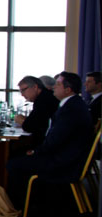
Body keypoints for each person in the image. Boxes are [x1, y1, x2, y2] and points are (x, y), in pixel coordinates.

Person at [7, 72, 95, 206]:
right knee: (18, 155)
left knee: (13, 163)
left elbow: (55, 140)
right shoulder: (74, 104)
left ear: (68, 89)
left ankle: (19, 206)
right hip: (69, 157)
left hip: (65, 163)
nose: (53, 87)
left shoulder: (70, 110)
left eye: (58, 84)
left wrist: (36, 152)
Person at [13, 75, 58, 145]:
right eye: (20, 91)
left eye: (23, 90)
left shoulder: (43, 100)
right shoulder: (45, 96)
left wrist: (20, 120)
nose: (22, 94)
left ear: (35, 87)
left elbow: (31, 126)